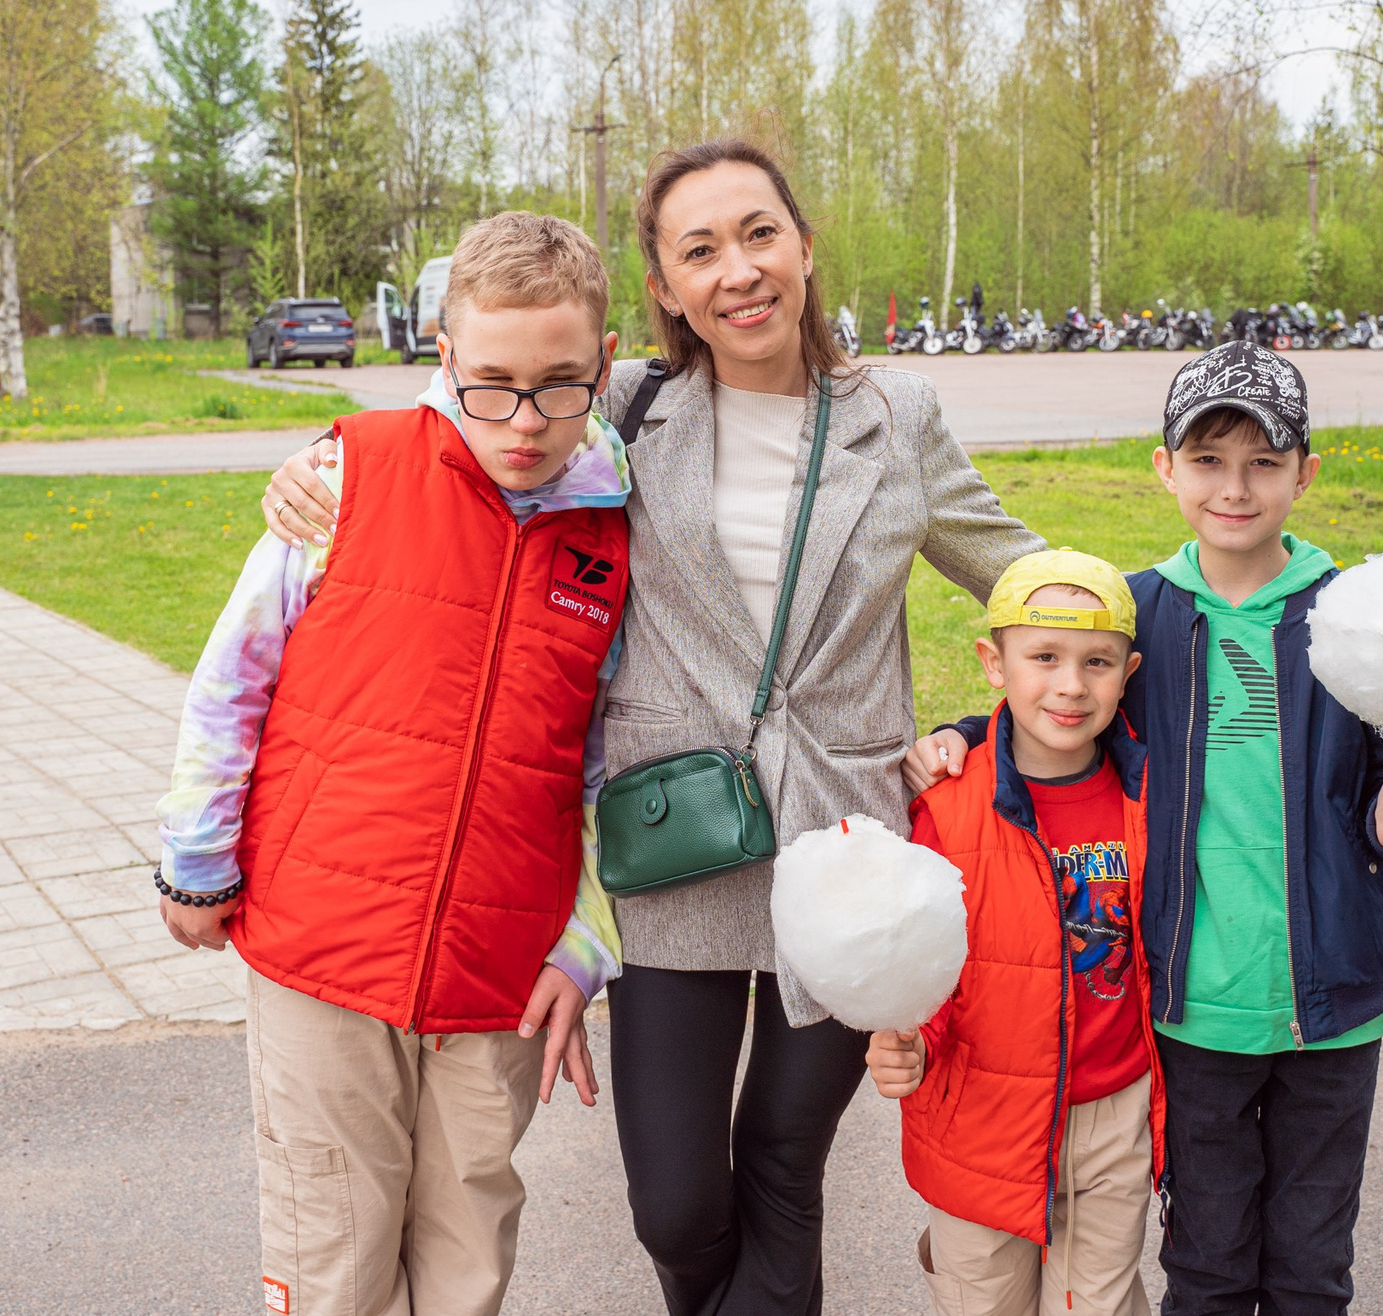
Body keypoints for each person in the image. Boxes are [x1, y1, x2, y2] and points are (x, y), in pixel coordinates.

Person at [260, 140, 1042, 1315]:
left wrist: (1145, 618)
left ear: (805, 245)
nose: (739, 269)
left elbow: (1021, 575)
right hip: (680, 844)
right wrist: (320, 469)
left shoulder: (899, 415)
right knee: (674, 1203)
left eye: (758, 233)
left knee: (783, 1162)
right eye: (699, 251)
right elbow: (487, 388)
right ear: (666, 291)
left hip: (845, 855)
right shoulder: (628, 409)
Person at [907, 341, 1383, 1316]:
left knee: (1311, 1271)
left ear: (1305, 473)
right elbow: (1054, 710)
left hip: (1333, 1005)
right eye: (1207, 460)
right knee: (1205, 1266)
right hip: (1192, 1011)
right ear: (1164, 468)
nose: (1233, 488)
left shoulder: (1359, 616)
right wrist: (956, 736)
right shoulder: (1143, 613)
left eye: (1262, 463)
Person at [155, 211, 631, 1316]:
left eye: (559, 385)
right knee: (335, 1254)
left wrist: (583, 945)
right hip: (324, 946)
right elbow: (234, 680)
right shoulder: (346, 479)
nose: (523, 422)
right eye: (492, 383)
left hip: (497, 974)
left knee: (469, 1252)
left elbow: (607, 767)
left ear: (604, 364)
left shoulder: (613, 532)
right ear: (442, 352)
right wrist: (196, 858)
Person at [867, 550, 1160, 1316]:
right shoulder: (947, 804)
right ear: (993, 663)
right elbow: (920, 957)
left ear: (1127, 671)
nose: (1070, 684)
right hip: (980, 1116)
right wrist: (914, 1040)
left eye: (1096, 661)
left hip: (1111, 1109)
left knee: (1098, 1304)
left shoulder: (1151, 795)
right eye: (1044, 658)